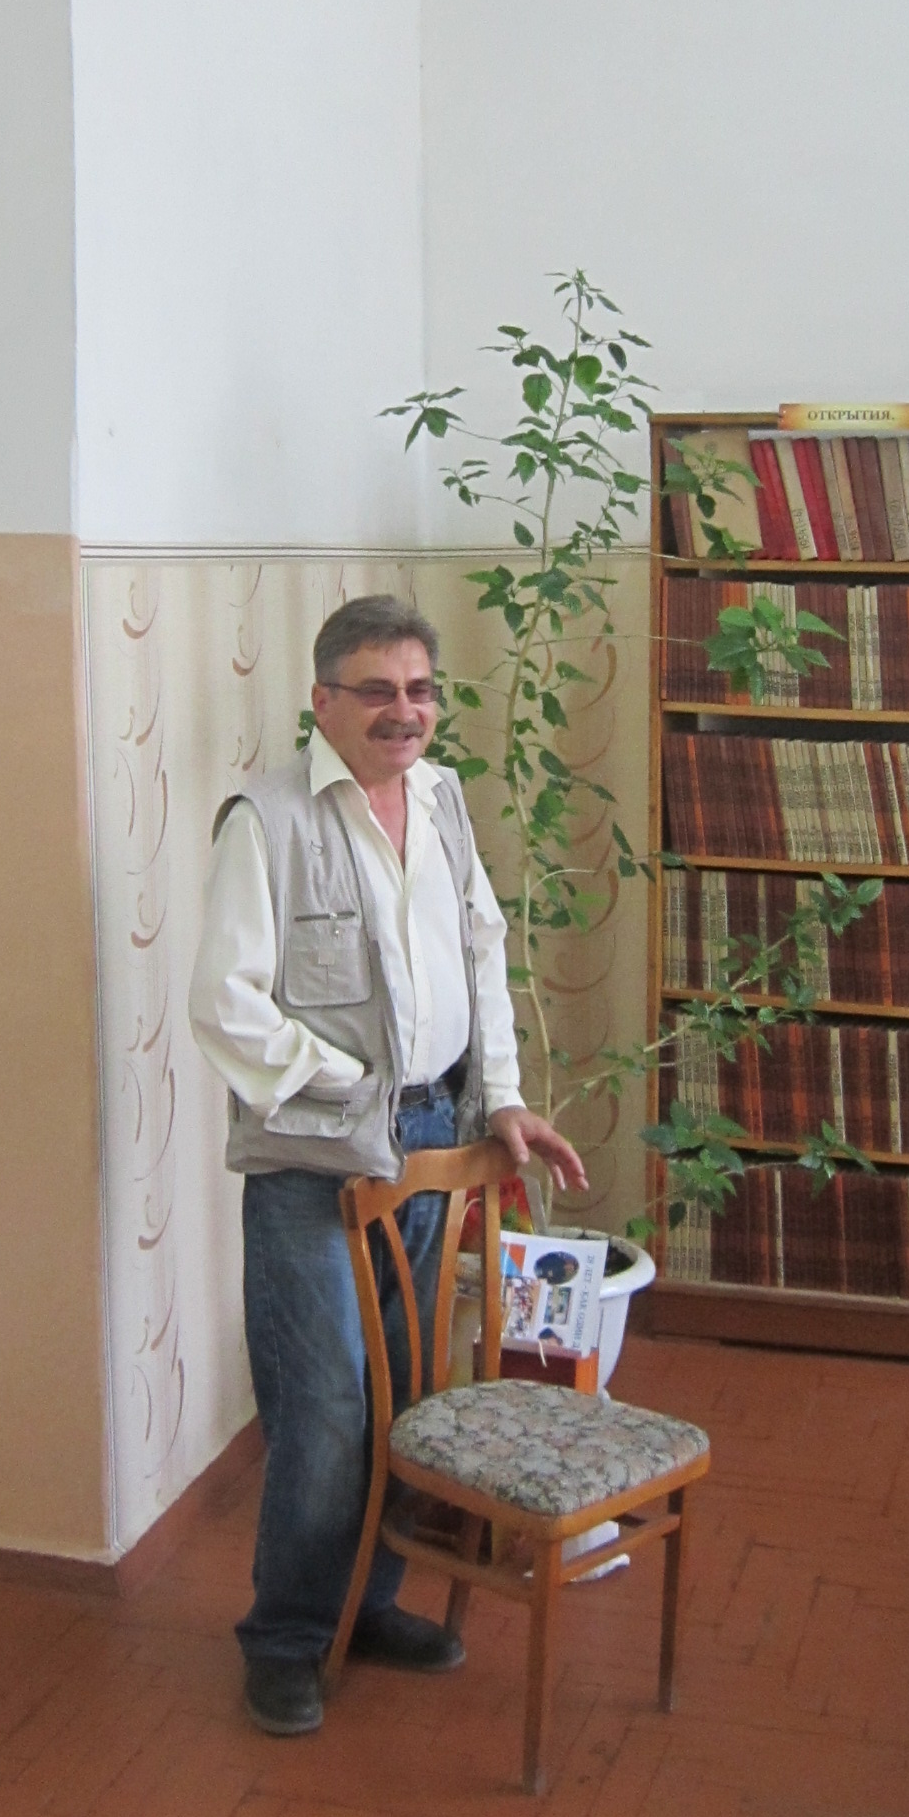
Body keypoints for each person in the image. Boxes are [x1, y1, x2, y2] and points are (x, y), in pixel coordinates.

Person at [188, 595, 587, 1738]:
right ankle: (286, 1639)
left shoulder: (444, 798)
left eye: (418, 691)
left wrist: (501, 1098)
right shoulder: (266, 820)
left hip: (435, 1139)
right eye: (376, 692)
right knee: (323, 1407)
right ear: (323, 702)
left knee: (406, 1394)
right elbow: (224, 1003)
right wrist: (347, 1086)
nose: (402, 713)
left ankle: (365, 1607)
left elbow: (481, 953)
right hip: (317, 1161)